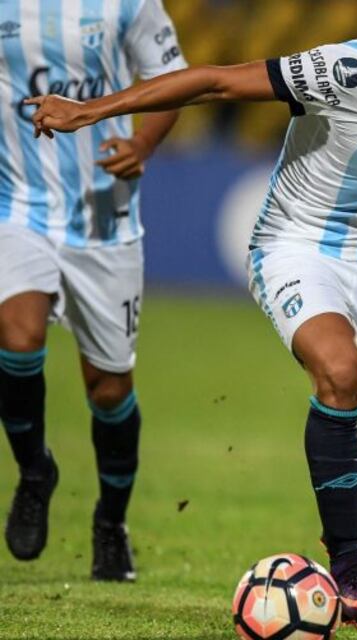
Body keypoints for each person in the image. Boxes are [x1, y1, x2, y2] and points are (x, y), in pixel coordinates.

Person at [27, 0, 357, 629]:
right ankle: (349, 566)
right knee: (340, 371)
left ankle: (346, 560)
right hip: (296, 242)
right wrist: (90, 110)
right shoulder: (349, 70)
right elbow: (215, 82)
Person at [0, 0, 185, 582]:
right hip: (18, 207)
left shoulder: (129, 4)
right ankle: (35, 471)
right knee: (17, 336)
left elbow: (173, 80)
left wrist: (142, 145)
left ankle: (110, 522)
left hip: (105, 218)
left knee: (108, 389)